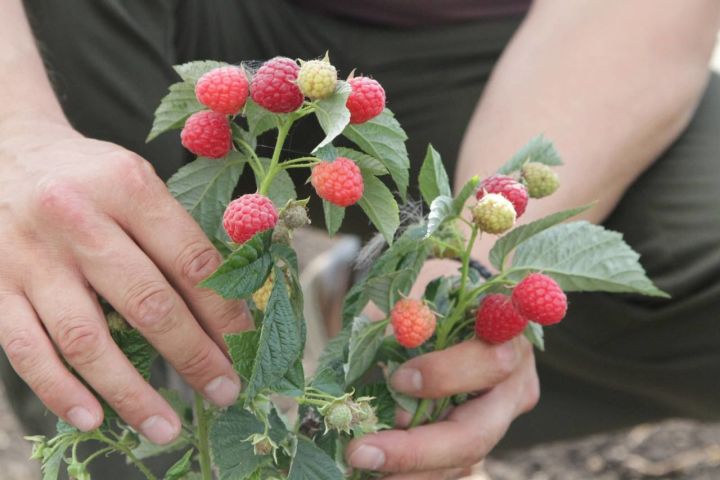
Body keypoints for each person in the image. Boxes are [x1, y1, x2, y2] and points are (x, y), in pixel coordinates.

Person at [1, 0, 719, 479]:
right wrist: (17, 134)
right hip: (113, 24)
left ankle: (348, 349)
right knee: (64, 238)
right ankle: (134, 418)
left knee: (464, 319)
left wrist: (462, 273)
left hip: (504, 48)